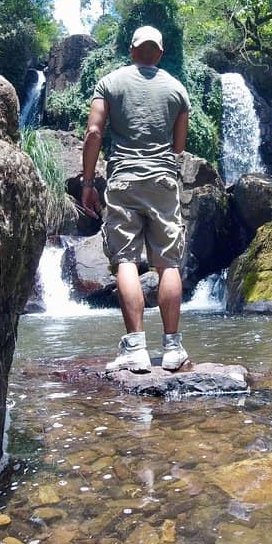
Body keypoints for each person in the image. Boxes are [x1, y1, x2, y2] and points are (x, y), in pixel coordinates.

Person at [80, 25, 191, 373]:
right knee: (168, 264)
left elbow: (94, 131)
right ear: (159, 52)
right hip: (163, 180)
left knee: (126, 261)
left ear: (131, 50)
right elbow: (179, 147)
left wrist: (87, 182)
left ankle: (136, 349)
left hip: (124, 179)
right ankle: (172, 348)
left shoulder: (109, 83)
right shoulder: (177, 89)